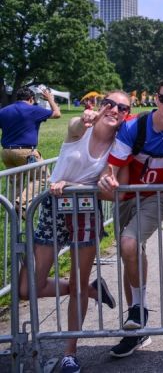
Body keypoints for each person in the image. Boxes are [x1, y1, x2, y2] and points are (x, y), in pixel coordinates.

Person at [18, 92, 129, 373]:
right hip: (52, 209)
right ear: (101, 105)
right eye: (110, 103)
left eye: (122, 107)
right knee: (26, 288)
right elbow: (75, 127)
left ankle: (70, 352)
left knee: (78, 282)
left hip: (85, 212)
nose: (114, 109)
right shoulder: (81, 129)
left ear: (126, 114)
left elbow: (109, 186)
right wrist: (84, 117)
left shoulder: (117, 147)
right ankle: (91, 290)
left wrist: (89, 185)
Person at [99, 76, 163, 359]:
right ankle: (135, 329)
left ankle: (138, 311)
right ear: (155, 98)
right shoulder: (135, 126)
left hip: (157, 196)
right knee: (129, 252)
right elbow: (112, 166)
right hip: (127, 195)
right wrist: (107, 180)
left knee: (129, 243)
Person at [0, 87, 61, 207]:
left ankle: (13, 213)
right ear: (31, 99)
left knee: (17, 183)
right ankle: (21, 203)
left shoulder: (4, 111)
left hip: (6, 152)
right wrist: (50, 99)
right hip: (26, 152)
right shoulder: (33, 109)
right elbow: (57, 114)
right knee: (44, 178)